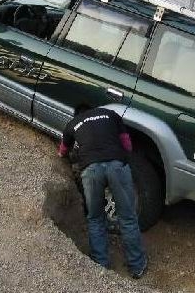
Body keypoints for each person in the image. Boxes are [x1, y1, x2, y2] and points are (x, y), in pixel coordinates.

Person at [58, 105, 148, 278]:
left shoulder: (73, 124)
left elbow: (63, 151)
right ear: (94, 109)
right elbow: (127, 145)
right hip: (117, 165)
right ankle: (137, 266)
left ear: (78, 114)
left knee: (95, 218)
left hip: (91, 170)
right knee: (128, 217)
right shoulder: (110, 114)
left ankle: (100, 265)